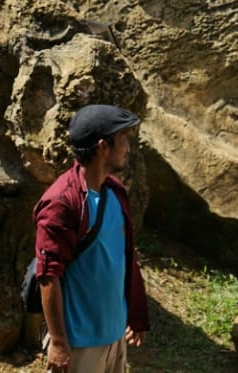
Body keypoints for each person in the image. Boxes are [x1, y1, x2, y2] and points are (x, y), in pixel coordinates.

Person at [32, 104, 149, 373]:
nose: (128, 148)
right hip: (79, 345)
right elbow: (48, 276)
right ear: (103, 147)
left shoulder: (116, 191)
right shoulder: (62, 203)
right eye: (123, 139)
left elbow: (124, 256)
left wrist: (136, 313)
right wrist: (59, 343)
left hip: (114, 336)